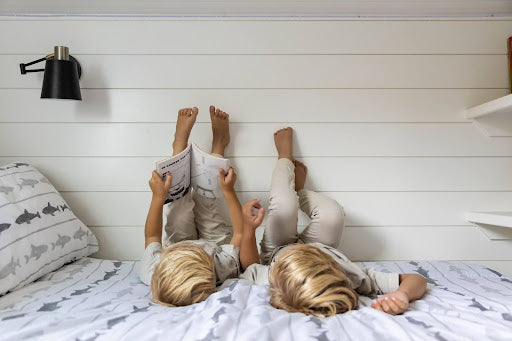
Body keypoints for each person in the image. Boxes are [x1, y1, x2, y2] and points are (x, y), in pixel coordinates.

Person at [240, 127, 427, 317]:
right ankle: (299, 190)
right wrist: (402, 294)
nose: (300, 250)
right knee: (332, 214)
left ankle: (284, 158)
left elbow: (250, 266)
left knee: (284, 207)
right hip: (321, 245)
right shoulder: (353, 276)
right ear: (336, 269)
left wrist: (248, 230)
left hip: (277, 250)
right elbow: (416, 279)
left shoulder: (273, 278)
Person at [139, 105, 247, 307]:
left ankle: (178, 146)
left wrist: (158, 198)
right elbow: (240, 233)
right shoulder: (221, 268)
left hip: (177, 245)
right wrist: (228, 191)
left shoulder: (152, 271)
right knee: (207, 203)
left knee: (176, 206)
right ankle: (219, 144)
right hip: (214, 245)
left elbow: (152, 237)